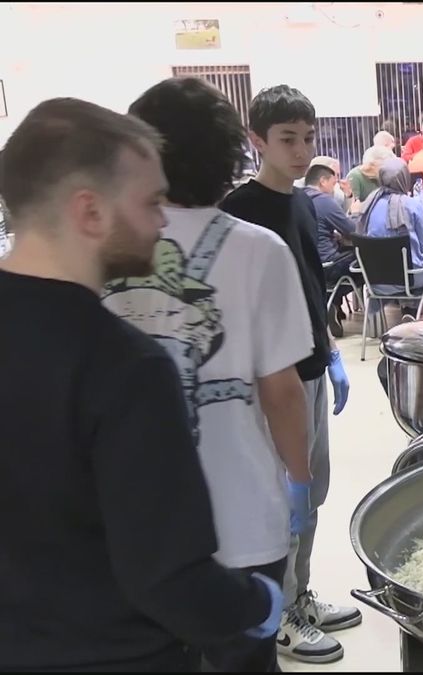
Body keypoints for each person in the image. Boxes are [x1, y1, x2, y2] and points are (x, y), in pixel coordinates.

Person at [0, 97, 282, 672]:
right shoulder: (125, 366)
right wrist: (258, 603)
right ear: (90, 212)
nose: (161, 221)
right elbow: (169, 576)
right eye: (151, 201)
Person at [103, 76, 314, 672]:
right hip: (242, 512)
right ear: (231, 155)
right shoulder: (258, 248)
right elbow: (280, 391)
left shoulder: (106, 245)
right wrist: (297, 479)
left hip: (133, 517)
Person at [218, 85, 358, 665]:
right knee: (282, 502)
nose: (301, 152)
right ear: (257, 141)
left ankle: (300, 594)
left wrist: (330, 350)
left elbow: (310, 288)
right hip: (267, 382)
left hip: (310, 370)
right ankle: (280, 615)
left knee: (312, 494)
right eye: (287, 140)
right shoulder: (236, 213)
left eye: (308, 139)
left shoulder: (303, 203)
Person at [359, 157, 423, 317]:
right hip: (409, 278)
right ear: (405, 178)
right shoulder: (412, 204)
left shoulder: (369, 204)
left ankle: (399, 312)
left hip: (375, 280)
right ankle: (412, 310)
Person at [304, 162, 360, 336]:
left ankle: (330, 304)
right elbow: (352, 230)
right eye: (333, 182)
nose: (335, 187)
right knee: (366, 263)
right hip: (328, 266)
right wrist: (353, 203)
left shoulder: (297, 198)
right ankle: (330, 300)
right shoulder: (324, 201)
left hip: (307, 265)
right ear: (322, 181)